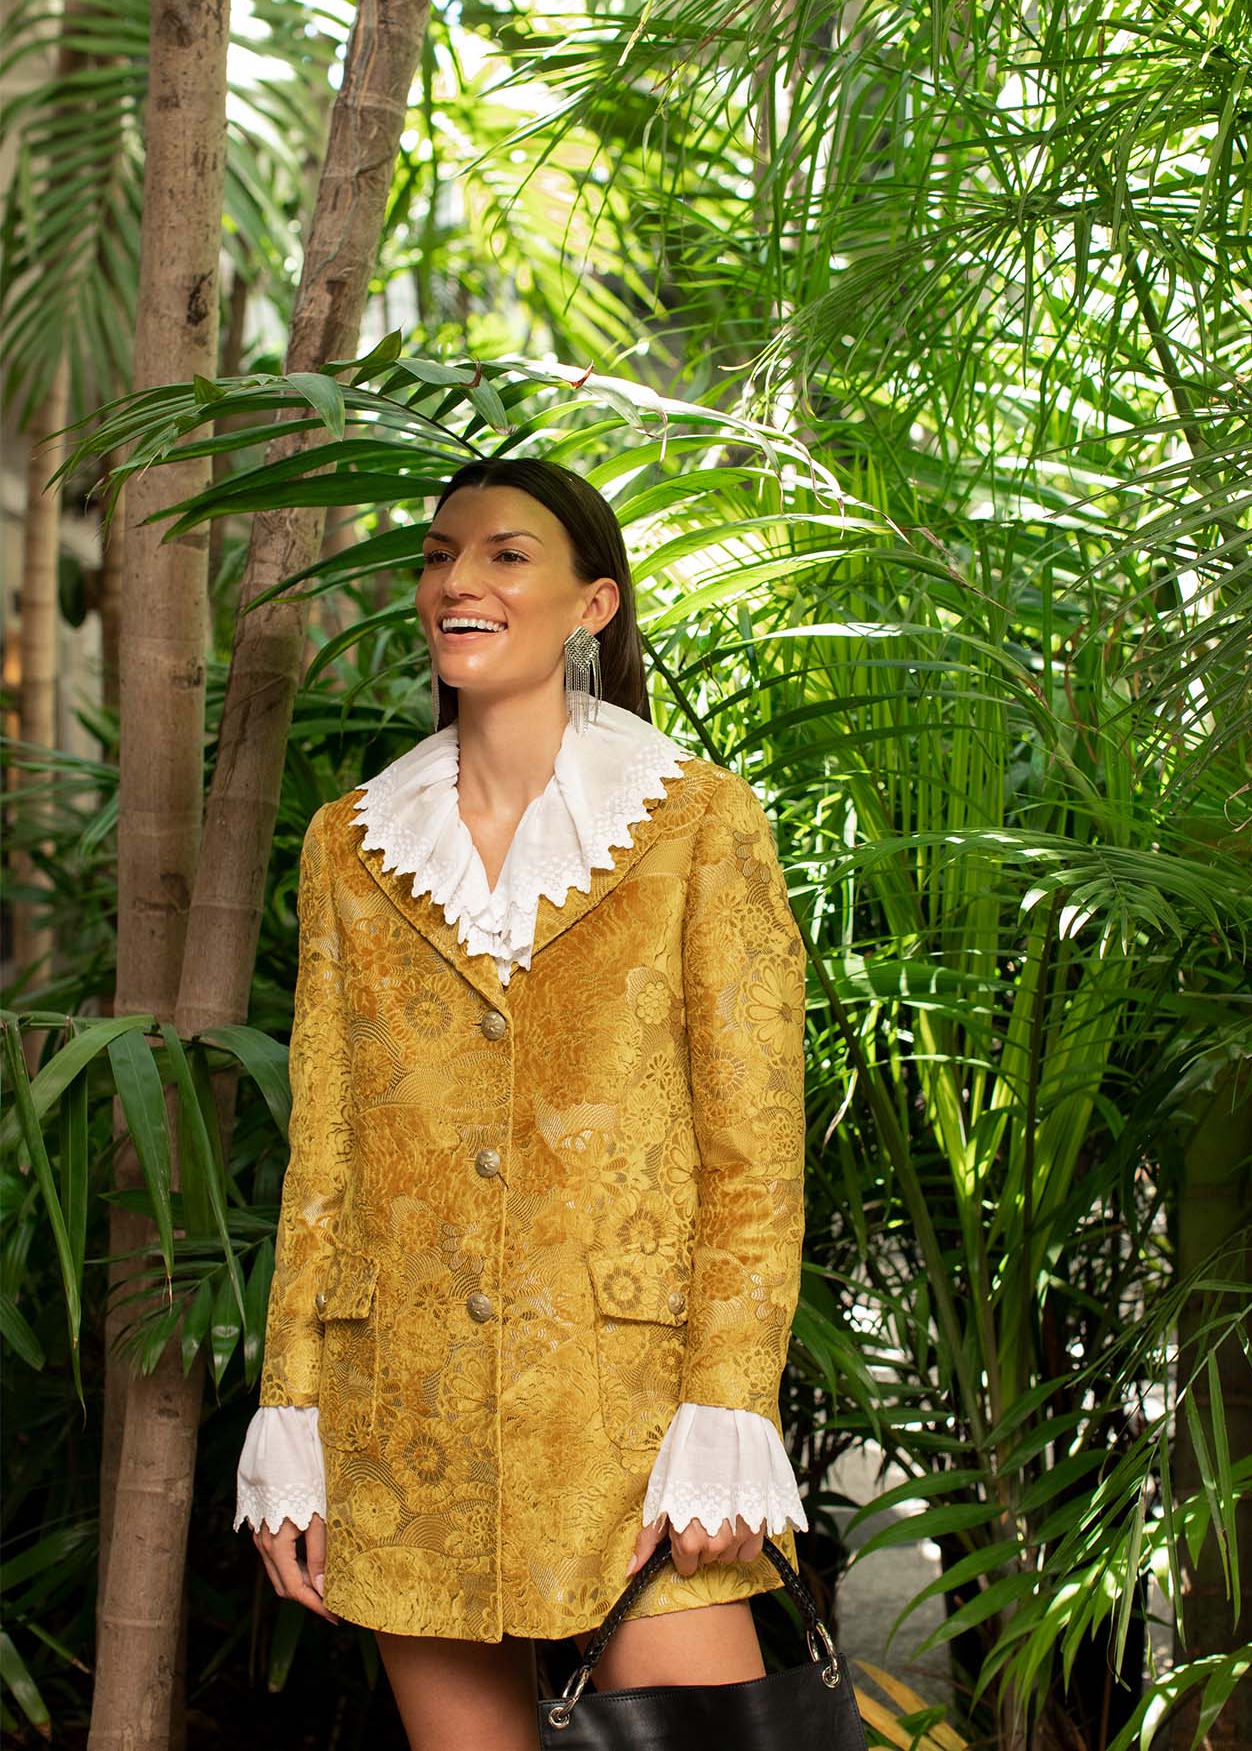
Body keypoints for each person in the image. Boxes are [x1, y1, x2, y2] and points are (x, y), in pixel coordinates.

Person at [234, 456, 809, 1749]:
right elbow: (324, 1150)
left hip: (635, 1414)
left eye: (505, 554)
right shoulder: (353, 842)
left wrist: (730, 1406)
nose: (458, 580)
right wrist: (293, 1415)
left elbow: (754, 1154)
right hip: (404, 1415)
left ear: (592, 604)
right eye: (440, 555)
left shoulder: (699, 824)